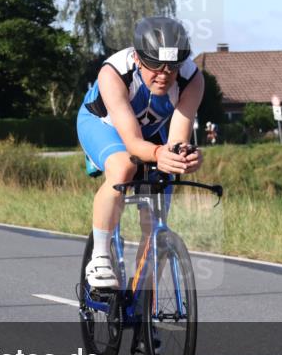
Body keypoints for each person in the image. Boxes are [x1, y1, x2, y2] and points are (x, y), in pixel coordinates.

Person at [77, 16, 205, 288]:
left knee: (157, 215)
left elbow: (176, 140)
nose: (164, 75)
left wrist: (185, 156)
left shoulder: (192, 79)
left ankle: (144, 300)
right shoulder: (113, 73)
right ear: (137, 58)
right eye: (155, 66)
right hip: (103, 126)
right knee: (124, 167)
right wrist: (159, 153)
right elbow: (133, 144)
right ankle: (100, 255)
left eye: (172, 68)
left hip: (151, 133)